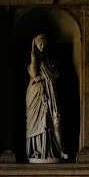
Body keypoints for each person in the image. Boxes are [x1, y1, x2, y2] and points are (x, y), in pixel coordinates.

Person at [26, 33, 68, 162]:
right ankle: (38, 151)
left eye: (45, 44)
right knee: (38, 122)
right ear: (35, 45)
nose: (43, 46)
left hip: (50, 95)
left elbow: (57, 75)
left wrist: (52, 73)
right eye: (40, 44)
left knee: (54, 122)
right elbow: (34, 75)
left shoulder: (49, 61)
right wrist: (34, 58)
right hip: (37, 95)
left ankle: (57, 150)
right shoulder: (34, 59)